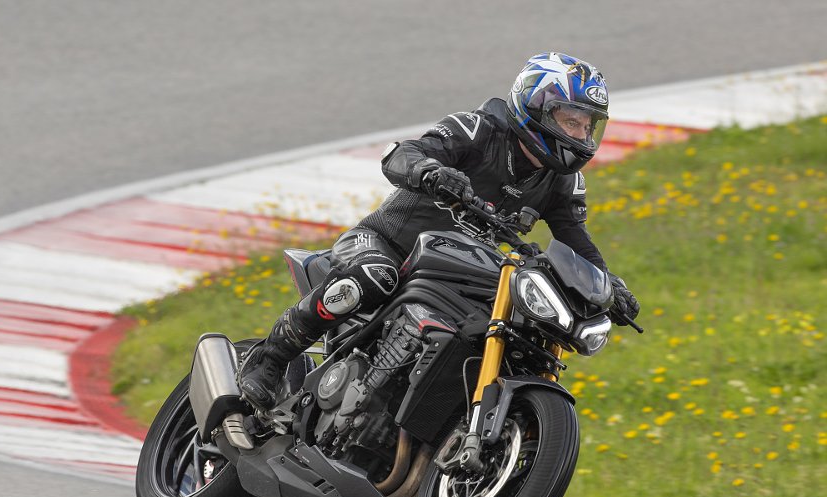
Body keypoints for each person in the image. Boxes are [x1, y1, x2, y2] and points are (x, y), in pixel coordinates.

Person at [238, 52, 640, 410]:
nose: (581, 137)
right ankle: (270, 358)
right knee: (374, 277)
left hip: (454, 272)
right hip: (387, 244)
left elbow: (578, 244)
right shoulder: (478, 129)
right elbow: (401, 154)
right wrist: (430, 172)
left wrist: (608, 288)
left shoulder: (561, 182)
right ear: (537, 107)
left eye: (588, 126)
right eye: (571, 121)